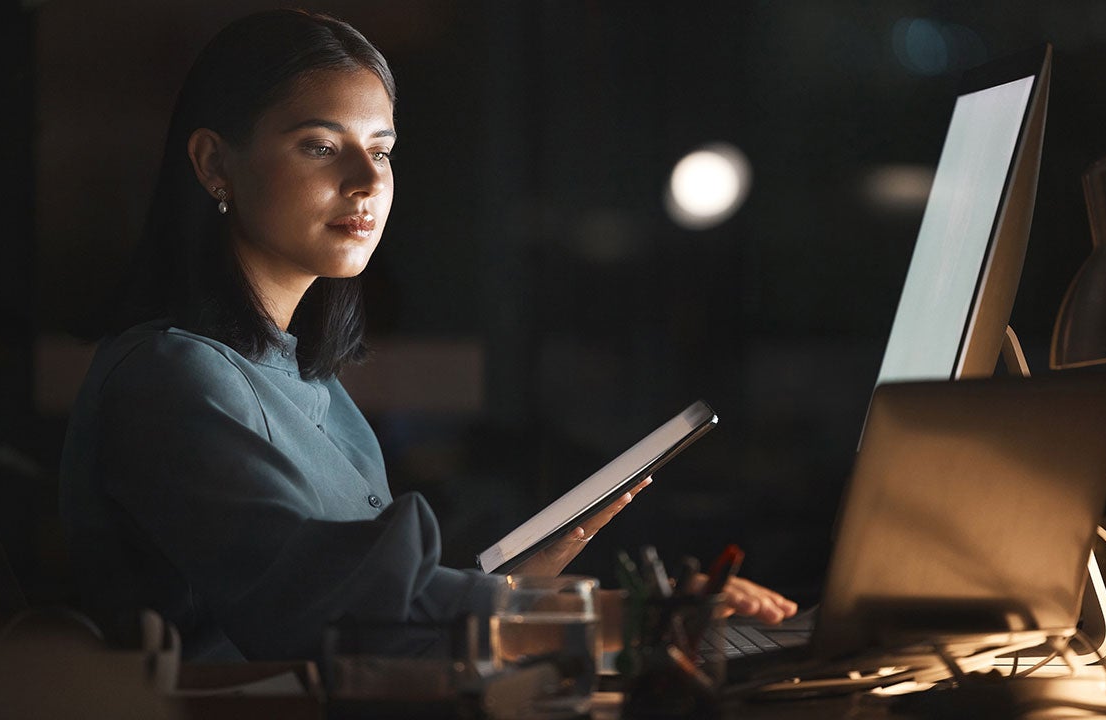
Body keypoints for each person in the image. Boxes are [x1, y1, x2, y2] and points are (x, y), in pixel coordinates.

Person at [59, 7, 797, 663]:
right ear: (215, 163)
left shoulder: (308, 381)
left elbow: (383, 610)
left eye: (380, 149)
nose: (365, 180)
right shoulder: (173, 378)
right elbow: (343, 619)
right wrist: (634, 618)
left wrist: (520, 585)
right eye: (320, 146)